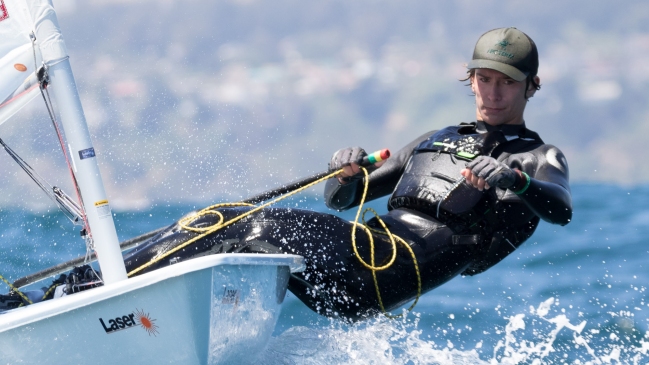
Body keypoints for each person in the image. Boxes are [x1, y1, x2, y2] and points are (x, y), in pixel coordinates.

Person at [120, 27, 572, 321]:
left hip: (385, 273)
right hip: (361, 259)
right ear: (470, 79)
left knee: (261, 225)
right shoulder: (437, 136)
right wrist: (346, 174)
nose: (493, 92)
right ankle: (118, 296)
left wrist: (514, 180)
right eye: (485, 79)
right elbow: (341, 200)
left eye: (507, 82)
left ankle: (113, 295)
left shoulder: (537, 156)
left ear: (532, 85)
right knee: (228, 221)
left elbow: (561, 209)